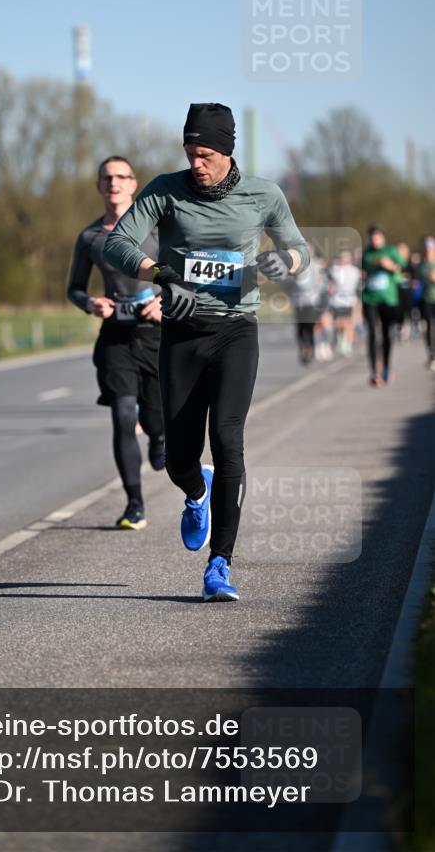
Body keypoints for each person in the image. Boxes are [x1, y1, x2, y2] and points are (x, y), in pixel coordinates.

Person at [104, 103, 309, 601]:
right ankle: (196, 493)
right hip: (181, 335)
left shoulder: (263, 194)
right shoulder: (165, 192)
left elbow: (300, 249)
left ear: (227, 151)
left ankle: (219, 565)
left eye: (207, 154)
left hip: (237, 331)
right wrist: (161, 274)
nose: (197, 162)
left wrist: (286, 260)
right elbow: (117, 244)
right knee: (179, 458)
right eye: (191, 153)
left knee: (228, 438)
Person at [67, 156, 165, 531]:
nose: (114, 183)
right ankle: (134, 504)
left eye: (121, 177)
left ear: (133, 184)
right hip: (116, 337)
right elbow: (73, 288)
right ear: (99, 186)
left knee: (155, 416)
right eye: (107, 178)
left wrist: (165, 300)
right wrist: (91, 303)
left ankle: (158, 437)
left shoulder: (157, 227)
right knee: (124, 415)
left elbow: (182, 271)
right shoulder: (91, 236)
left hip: (156, 334)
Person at [361, 224, 407, 386]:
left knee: (387, 334)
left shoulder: (391, 251)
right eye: (372, 237)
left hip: (388, 299)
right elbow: (362, 271)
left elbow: (404, 267)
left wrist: (392, 266)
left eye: (377, 237)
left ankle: (386, 366)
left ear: (383, 237)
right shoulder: (366, 253)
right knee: (372, 334)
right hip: (369, 298)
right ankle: (374, 371)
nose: (375, 240)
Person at [327, 249, 361, 356]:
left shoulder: (355, 271)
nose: (345, 259)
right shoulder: (334, 270)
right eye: (343, 257)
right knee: (338, 323)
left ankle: (347, 343)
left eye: (347, 257)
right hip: (336, 301)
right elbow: (329, 283)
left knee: (348, 322)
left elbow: (359, 285)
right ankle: (339, 336)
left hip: (350, 300)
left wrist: (358, 300)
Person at [419, 235, 435, 370]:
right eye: (427, 248)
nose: (429, 250)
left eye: (431, 247)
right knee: (428, 327)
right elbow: (424, 276)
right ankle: (431, 355)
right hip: (427, 299)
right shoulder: (423, 264)